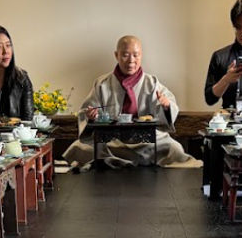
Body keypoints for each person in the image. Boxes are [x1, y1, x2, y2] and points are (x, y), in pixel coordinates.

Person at [63, 36, 198, 168]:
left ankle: (114, 160)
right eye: (126, 55)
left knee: (173, 147)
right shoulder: (102, 83)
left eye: (136, 55)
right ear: (116, 55)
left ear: (141, 55)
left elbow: (169, 106)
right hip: (112, 140)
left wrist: (166, 105)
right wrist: (91, 116)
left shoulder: (152, 82)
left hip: (145, 140)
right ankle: (131, 160)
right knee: (79, 147)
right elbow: (86, 111)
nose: (131, 60)